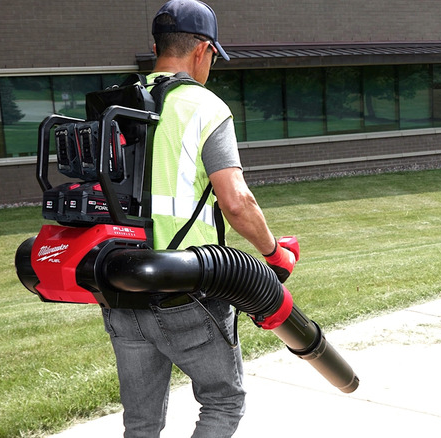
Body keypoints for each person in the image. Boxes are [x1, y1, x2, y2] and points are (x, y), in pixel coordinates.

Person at [100, 1, 298, 437]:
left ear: (156, 47)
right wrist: (274, 252)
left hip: (119, 288)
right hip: (187, 290)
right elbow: (236, 202)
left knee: (141, 421)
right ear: (203, 50)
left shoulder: (115, 103)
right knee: (224, 401)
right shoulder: (205, 106)